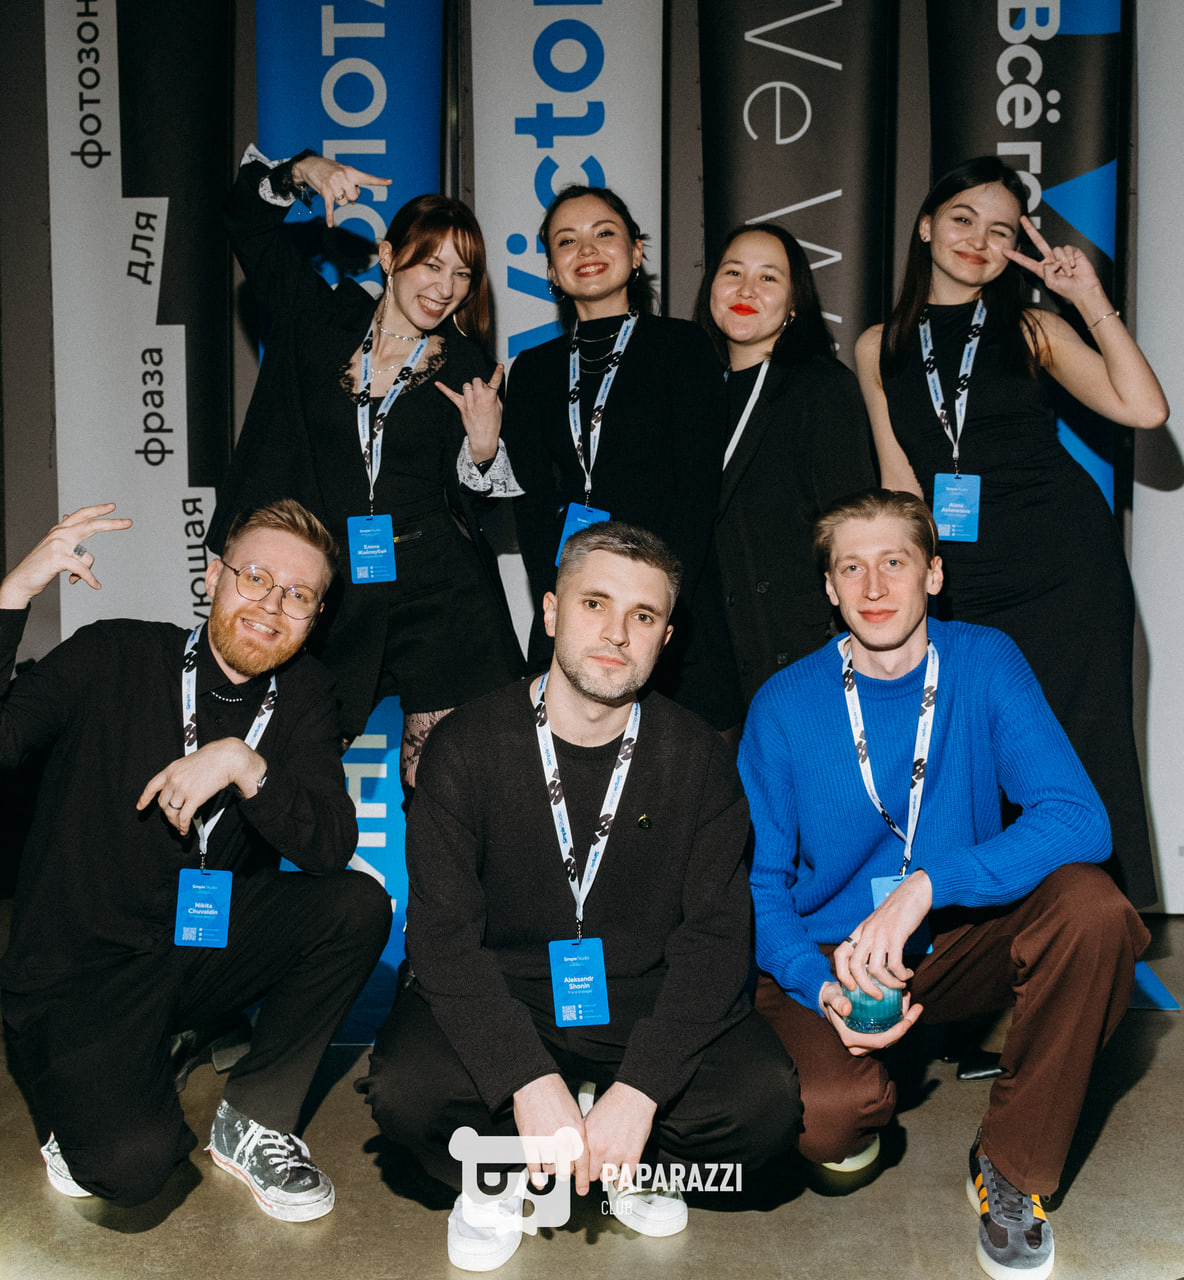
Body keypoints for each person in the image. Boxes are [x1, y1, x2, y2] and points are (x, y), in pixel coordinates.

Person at [357, 522, 799, 1272]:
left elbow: (718, 942)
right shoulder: (465, 746)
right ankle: (503, 1173)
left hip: (642, 998)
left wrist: (643, 1089)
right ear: (552, 612)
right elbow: (442, 940)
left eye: (643, 615)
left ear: (666, 638)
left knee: (765, 1107)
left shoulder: (699, 758)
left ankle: (624, 1148)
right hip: (506, 990)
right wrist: (524, 1079)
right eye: (595, 604)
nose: (617, 633)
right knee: (407, 1091)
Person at [739, 489, 1149, 1280]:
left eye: (895, 561)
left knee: (1092, 909)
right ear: (829, 588)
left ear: (933, 573)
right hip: (832, 955)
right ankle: (866, 1084)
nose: (874, 586)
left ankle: (1012, 1165)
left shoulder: (985, 661)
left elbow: (1080, 819)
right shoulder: (784, 704)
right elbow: (759, 884)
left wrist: (931, 882)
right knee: (830, 1123)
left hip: (954, 939)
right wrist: (814, 985)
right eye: (850, 568)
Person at [1, 500, 392, 1221]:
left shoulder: (304, 694)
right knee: (132, 1167)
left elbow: (330, 845)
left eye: (298, 595)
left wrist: (246, 765)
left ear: (314, 617)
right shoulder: (113, 654)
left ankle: (255, 1120)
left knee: (357, 905)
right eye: (255, 577)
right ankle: (83, 1091)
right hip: (78, 974)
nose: (271, 605)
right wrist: (11, 597)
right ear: (213, 576)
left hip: (192, 954)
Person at [854, 155, 1168, 906]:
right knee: (972, 752)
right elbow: (900, 479)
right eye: (962, 219)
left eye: (1000, 231)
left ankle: (1100, 926)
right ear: (925, 226)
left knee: (1083, 741)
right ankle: (994, 928)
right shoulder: (878, 346)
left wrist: (1088, 297)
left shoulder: (1033, 327)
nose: (978, 240)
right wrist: (907, 576)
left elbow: (1146, 409)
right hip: (961, 576)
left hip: (1065, 568)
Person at [208, 146, 524, 785]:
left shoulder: (468, 366)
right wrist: (303, 170)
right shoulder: (316, 318)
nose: (445, 288)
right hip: (327, 585)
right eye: (430, 264)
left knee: (443, 788)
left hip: (440, 591)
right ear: (387, 256)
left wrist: (484, 451)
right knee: (268, 769)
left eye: (462, 274)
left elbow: (476, 502)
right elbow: (245, 223)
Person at [501, 185, 740, 730]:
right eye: (567, 240)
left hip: (670, 606)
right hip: (577, 608)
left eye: (603, 233)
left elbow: (698, 494)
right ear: (552, 270)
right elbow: (532, 506)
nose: (586, 249)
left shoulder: (683, 347)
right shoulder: (532, 370)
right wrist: (560, 601)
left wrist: (658, 606)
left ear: (636, 253)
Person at [695, 222, 874, 705]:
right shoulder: (693, 390)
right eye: (733, 272)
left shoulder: (823, 386)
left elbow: (853, 528)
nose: (746, 290)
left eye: (768, 277)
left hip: (797, 648)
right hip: (711, 656)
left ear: (795, 303)